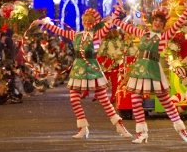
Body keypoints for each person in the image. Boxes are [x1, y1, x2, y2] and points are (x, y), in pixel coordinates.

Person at [33, 8, 130, 139]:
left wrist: (117, 9)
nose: (86, 23)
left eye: (89, 21)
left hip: (92, 69)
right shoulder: (77, 35)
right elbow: (58, 30)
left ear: (94, 22)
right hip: (78, 69)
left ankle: (120, 126)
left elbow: (108, 26)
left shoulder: (97, 34)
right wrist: (41, 22)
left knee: (104, 100)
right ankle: (83, 127)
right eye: (84, 20)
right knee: (74, 99)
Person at [112, 0, 187, 144]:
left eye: (160, 22)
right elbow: (119, 23)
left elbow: (178, 23)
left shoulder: (165, 35)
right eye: (156, 20)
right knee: (135, 99)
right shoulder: (142, 33)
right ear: (152, 21)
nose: (157, 23)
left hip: (154, 69)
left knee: (165, 101)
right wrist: (119, 9)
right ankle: (141, 133)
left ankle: (182, 131)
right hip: (139, 69)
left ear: (163, 25)